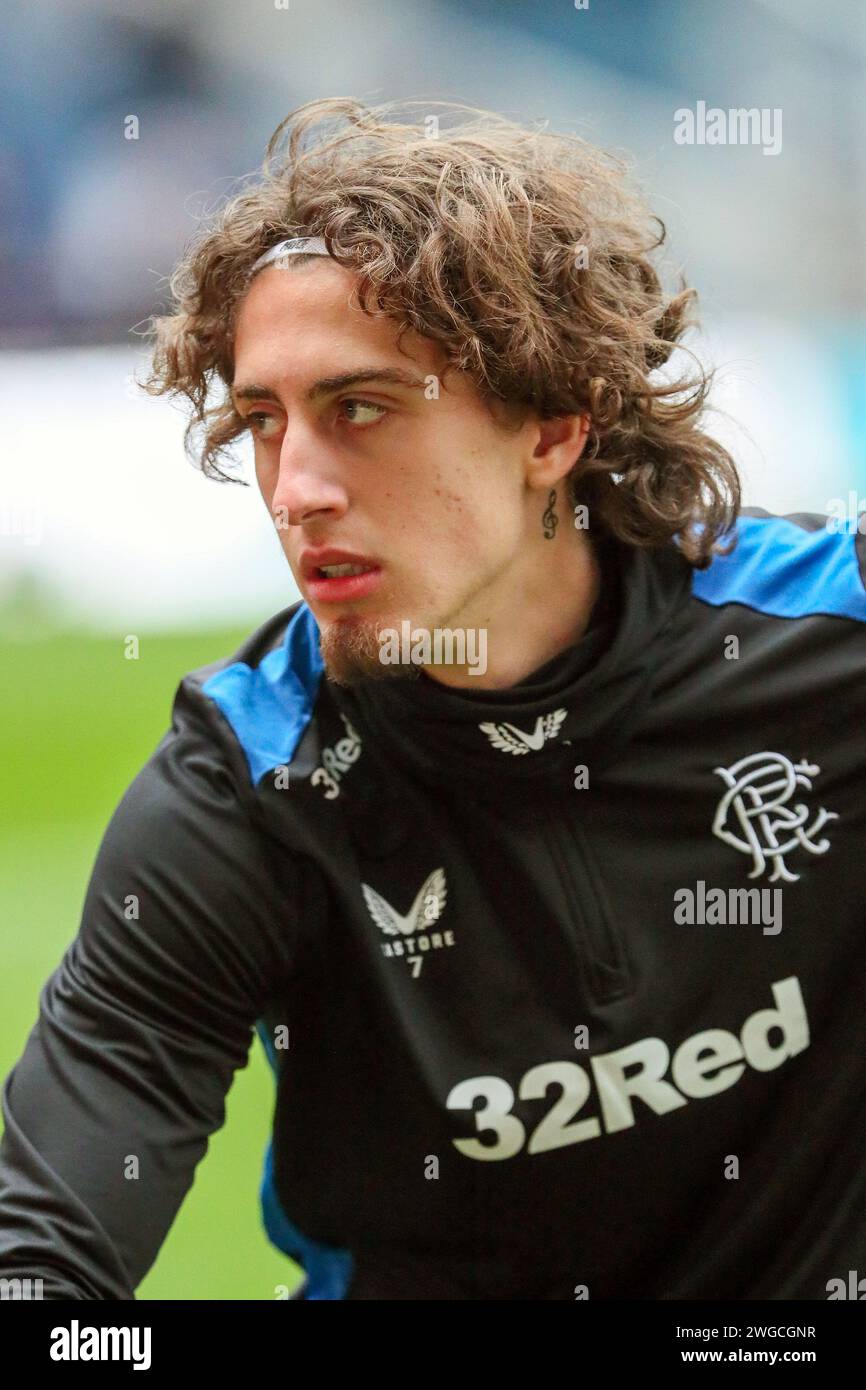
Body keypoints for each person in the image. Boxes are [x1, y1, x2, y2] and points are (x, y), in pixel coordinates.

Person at [1, 97, 864, 1301]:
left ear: (554, 423)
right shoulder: (245, 788)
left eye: (360, 409)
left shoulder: (830, 630)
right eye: (262, 421)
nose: (294, 488)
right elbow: (44, 1263)